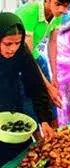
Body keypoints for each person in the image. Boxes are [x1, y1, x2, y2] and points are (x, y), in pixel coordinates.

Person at [0, 12, 54, 166]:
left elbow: (35, 84)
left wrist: (44, 119)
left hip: (11, 103)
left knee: (20, 156)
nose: (13, 49)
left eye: (17, 43)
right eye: (8, 44)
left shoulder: (21, 51)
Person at [15, 0, 70, 127]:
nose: (63, 10)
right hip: (20, 62)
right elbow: (28, 57)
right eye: (58, 4)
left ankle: (55, 136)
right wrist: (48, 87)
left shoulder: (57, 14)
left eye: (66, 6)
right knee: (30, 104)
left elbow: (52, 43)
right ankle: (38, 140)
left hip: (35, 56)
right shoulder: (30, 11)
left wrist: (54, 77)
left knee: (51, 103)